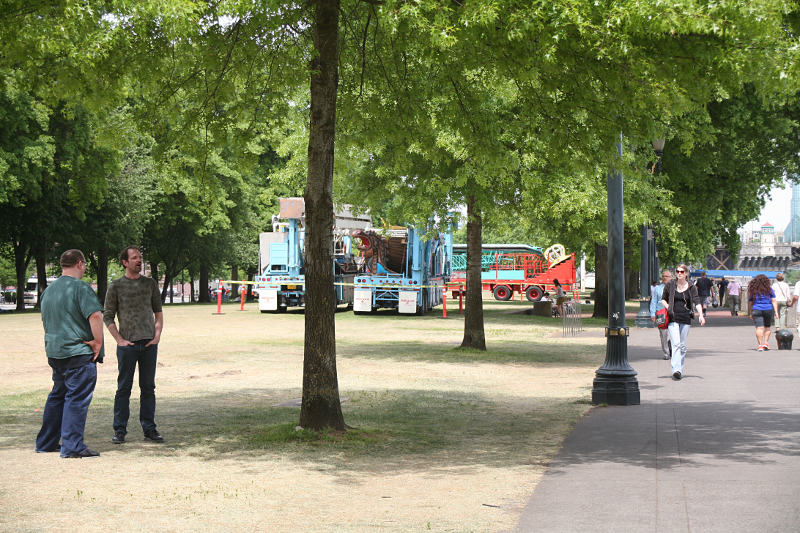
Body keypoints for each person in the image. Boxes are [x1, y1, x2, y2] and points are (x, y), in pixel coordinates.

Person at [35, 250, 105, 458]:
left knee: (58, 396)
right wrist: (98, 342)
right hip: (78, 352)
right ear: (80, 264)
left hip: (56, 351)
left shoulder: (49, 290)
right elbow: (95, 315)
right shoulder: (80, 288)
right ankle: (72, 446)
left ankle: (46, 442)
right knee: (76, 398)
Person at [104, 246, 165, 444]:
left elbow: (158, 312)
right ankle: (119, 430)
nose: (139, 260)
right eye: (134, 258)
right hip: (127, 346)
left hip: (148, 345)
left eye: (140, 257)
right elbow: (108, 316)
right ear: (125, 262)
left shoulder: (150, 284)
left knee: (148, 388)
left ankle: (150, 429)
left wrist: (156, 336)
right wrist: (119, 340)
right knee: (124, 388)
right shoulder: (116, 286)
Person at [660, 264, 705, 380]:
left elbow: (697, 301)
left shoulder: (691, 287)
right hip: (673, 318)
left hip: (686, 318)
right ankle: (677, 370)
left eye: (682, 271)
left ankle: (679, 368)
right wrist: (668, 307)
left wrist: (701, 314)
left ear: (686, 273)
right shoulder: (670, 285)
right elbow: (663, 299)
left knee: (682, 346)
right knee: (676, 343)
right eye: (677, 271)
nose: (679, 273)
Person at [748, 274, 779, 351]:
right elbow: (774, 301)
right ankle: (766, 342)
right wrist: (776, 312)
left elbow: (751, 303)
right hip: (768, 309)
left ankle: (760, 345)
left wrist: (751, 313)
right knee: (767, 326)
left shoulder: (753, 290)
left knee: (759, 328)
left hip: (757, 309)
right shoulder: (769, 289)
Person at [650, 270, 673, 360]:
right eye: (663, 276)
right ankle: (666, 353)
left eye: (666, 276)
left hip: (672, 312)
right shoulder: (658, 289)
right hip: (661, 313)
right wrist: (653, 314)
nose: (664, 278)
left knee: (675, 333)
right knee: (663, 334)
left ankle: (670, 346)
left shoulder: (675, 287)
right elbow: (653, 301)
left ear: (671, 277)